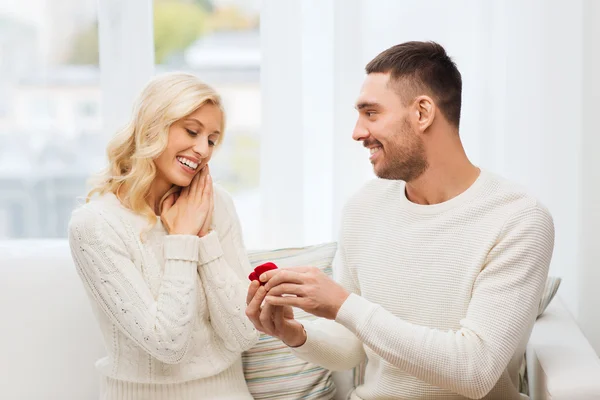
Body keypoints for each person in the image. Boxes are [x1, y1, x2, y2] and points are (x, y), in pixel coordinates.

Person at [245, 41, 554, 399]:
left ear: (422, 112)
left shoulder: (518, 219)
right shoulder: (364, 207)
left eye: (371, 113)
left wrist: (343, 304)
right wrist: (295, 333)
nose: (357, 132)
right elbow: (352, 345)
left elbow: (475, 370)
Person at [69, 72, 258, 400]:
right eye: (191, 131)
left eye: (212, 139)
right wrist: (183, 239)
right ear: (153, 127)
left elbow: (245, 333)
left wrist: (203, 237)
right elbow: (168, 345)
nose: (202, 149)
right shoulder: (95, 225)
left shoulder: (217, 204)